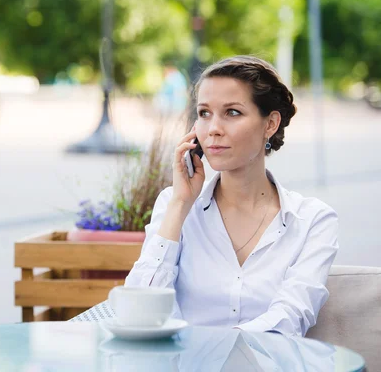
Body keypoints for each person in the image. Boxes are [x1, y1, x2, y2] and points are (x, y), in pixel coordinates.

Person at [125, 56, 339, 337]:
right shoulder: (174, 204)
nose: (213, 128)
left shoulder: (313, 220)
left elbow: (291, 317)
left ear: (270, 124)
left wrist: (214, 353)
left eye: (232, 113)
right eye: (204, 113)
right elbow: (140, 312)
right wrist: (180, 204)